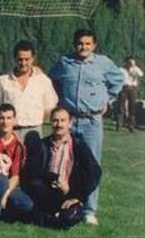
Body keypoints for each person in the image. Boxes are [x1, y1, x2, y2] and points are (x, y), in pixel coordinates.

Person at [49, 29, 123, 225]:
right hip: (69, 121)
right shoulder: (65, 62)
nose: (83, 47)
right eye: (80, 43)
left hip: (92, 122)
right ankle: (63, 203)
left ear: (94, 45)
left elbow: (118, 81)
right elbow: (53, 81)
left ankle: (89, 210)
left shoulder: (103, 63)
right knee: (63, 161)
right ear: (75, 44)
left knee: (91, 165)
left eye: (88, 44)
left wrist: (107, 100)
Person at [24, 106, 101, 229]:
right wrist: (53, 178)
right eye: (55, 120)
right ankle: (47, 214)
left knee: (68, 219)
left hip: (69, 194)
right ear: (50, 122)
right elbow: (32, 173)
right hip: (46, 193)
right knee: (32, 213)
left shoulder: (79, 146)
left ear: (70, 123)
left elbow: (95, 173)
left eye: (63, 120)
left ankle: (54, 216)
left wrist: (77, 196)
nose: (58, 124)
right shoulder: (43, 145)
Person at [0, 40, 57, 141]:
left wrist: (36, 120)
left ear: (33, 59)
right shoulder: (2, 81)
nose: (23, 63)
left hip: (34, 131)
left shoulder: (43, 80)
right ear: (14, 58)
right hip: (10, 132)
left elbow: (50, 106)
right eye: (20, 59)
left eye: (27, 59)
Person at [117, 56, 142, 131]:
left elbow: (141, 74)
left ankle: (131, 126)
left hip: (133, 88)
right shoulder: (121, 69)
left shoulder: (135, 70)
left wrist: (135, 67)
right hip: (124, 88)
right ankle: (119, 125)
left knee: (132, 107)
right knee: (121, 107)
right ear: (126, 62)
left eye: (132, 63)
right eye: (129, 62)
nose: (130, 64)